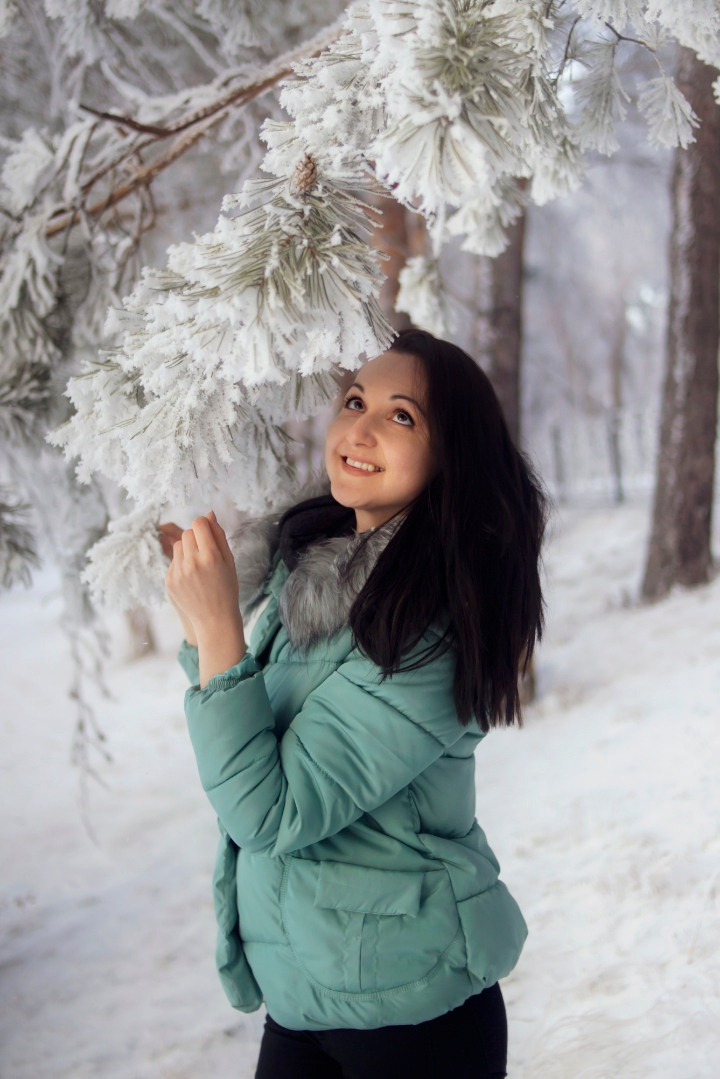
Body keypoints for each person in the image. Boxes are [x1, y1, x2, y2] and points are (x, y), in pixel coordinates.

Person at [159, 329, 547, 1079]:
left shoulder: (432, 626)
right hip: (305, 994)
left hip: (413, 1010)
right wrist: (208, 630)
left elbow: (272, 810)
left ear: (451, 456)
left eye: (401, 416)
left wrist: (218, 628)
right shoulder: (313, 577)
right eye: (355, 401)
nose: (360, 429)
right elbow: (258, 728)